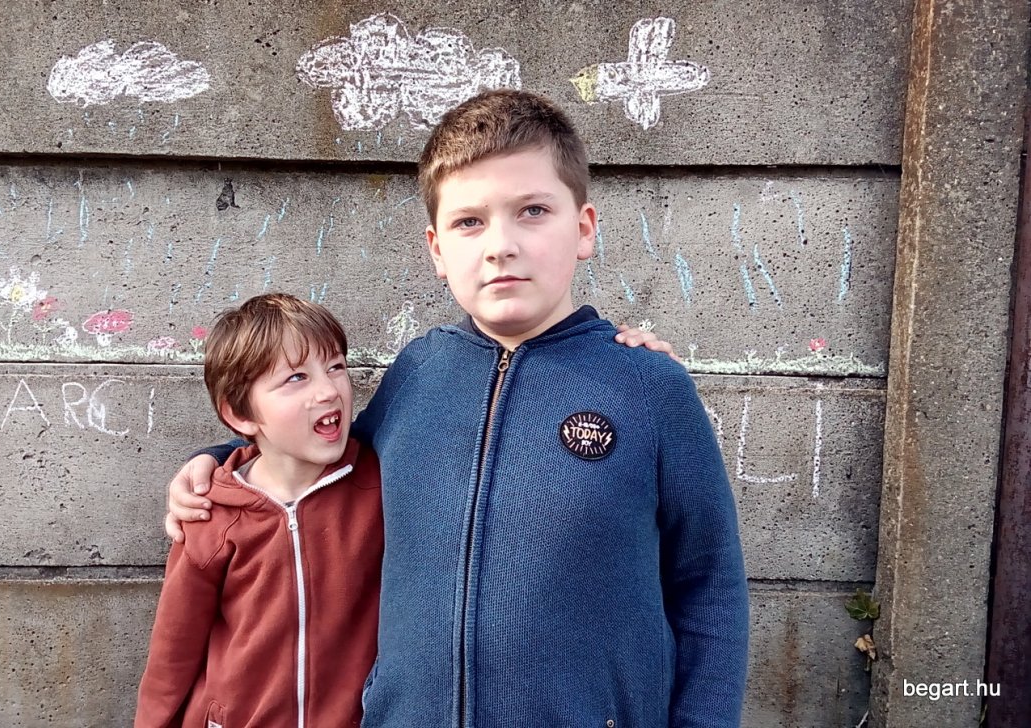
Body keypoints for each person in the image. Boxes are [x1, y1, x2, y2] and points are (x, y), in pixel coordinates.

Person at [166, 90, 748, 727]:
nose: (500, 245)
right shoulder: (419, 372)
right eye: (469, 222)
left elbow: (710, 588)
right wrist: (220, 462)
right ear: (437, 250)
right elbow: (324, 459)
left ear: (583, 229)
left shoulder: (649, 387)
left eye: (532, 211)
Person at [135, 294, 383, 728]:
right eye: (296, 377)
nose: (329, 390)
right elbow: (173, 654)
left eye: (336, 366)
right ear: (240, 414)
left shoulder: (378, 488)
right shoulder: (211, 513)